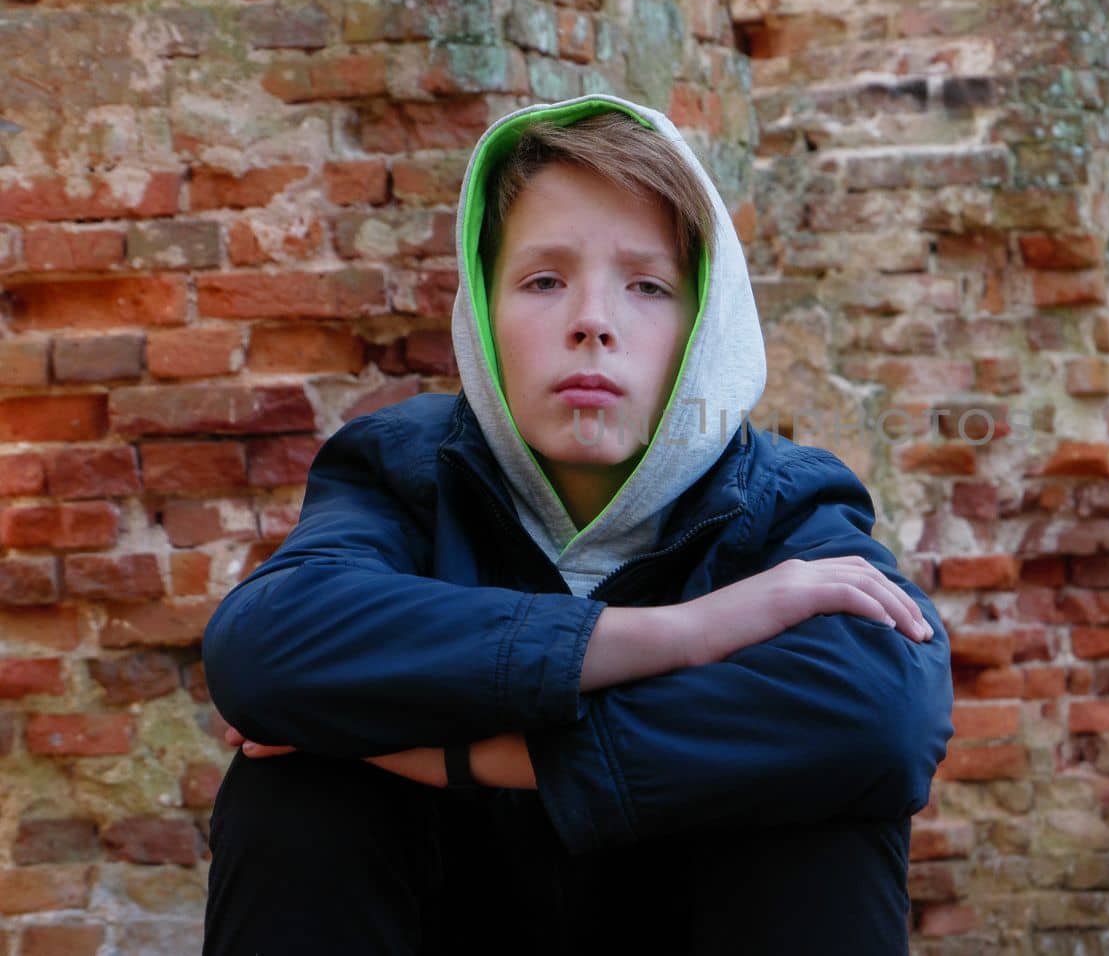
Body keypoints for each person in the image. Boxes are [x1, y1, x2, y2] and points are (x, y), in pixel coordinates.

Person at [199, 93, 955, 954]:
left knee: (824, 795)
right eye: (544, 280)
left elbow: (885, 712)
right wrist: (684, 633)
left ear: (704, 323)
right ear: (483, 311)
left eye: (648, 286)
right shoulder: (404, 470)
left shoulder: (783, 504)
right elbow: (263, 648)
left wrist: (457, 756)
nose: (592, 321)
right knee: (299, 791)